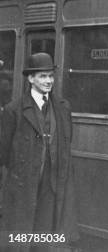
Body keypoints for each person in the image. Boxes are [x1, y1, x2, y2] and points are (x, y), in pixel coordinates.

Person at [0, 53, 78, 249]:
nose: (49, 81)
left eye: (51, 76)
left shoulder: (63, 107)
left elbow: (65, 147)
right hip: (23, 186)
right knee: (21, 238)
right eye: (43, 76)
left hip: (52, 186)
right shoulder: (13, 110)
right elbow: (4, 152)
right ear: (31, 78)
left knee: (46, 238)